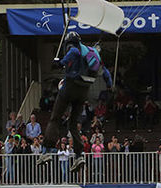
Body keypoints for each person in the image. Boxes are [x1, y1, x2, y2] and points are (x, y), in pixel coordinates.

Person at [44, 32, 113, 168]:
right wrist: (110, 86)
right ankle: (79, 155)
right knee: (73, 124)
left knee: (55, 118)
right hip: (84, 90)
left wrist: (57, 61)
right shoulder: (91, 52)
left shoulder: (73, 50)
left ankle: (46, 150)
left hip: (70, 87)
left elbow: (63, 62)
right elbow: (105, 72)